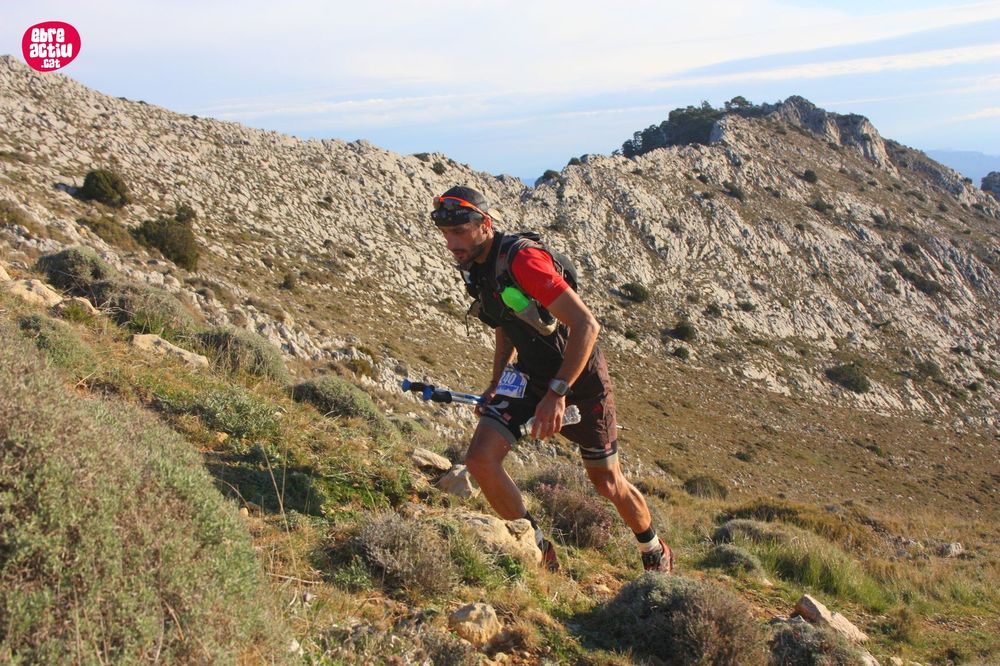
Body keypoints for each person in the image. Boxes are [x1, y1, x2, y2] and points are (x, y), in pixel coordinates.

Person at [431, 185, 673, 574]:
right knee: (480, 460)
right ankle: (538, 550)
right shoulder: (476, 267)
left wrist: (558, 393)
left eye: (459, 231)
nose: (451, 243)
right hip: (529, 375)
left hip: (579, 380)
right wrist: (496, 383)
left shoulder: (523, 260)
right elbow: (505, 324)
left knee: (606, 481)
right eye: (446, 233)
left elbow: (587, 325)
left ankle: (653, 549)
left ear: (485, 225)